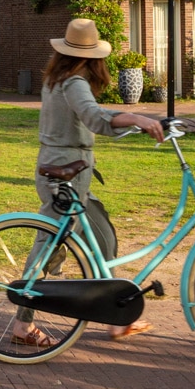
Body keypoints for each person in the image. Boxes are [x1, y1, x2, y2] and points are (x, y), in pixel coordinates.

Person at [16, 18, 165, 347]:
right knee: (48, 243)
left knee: (101, 237)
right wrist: (138, 118)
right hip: (65, 170)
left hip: (66, 167)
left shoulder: (59, 78)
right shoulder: (74, 82)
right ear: (93, 57)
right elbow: (95, 118)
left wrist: (135, 121)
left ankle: (116, 317)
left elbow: (93, 110)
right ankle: (22, 324)